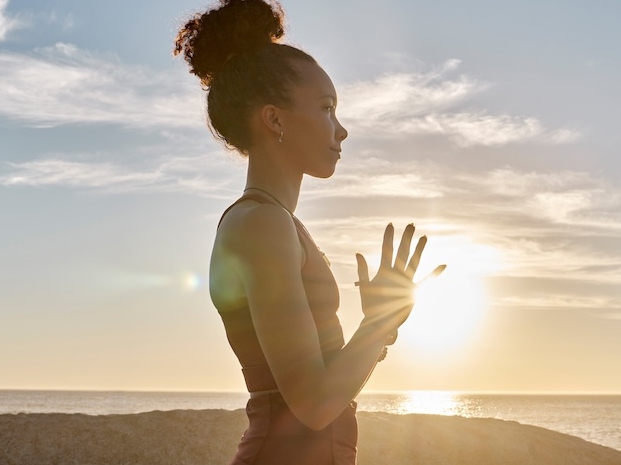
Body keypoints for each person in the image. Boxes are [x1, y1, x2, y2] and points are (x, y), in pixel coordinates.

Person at [174, 1, 444, 463]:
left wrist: (381, 327)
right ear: (274, 119)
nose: (342, 131)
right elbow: (313, 404)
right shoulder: (261, 224)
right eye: (326, 109)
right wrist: (377, 325)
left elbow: (326, 391)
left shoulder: (275, 222)